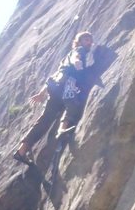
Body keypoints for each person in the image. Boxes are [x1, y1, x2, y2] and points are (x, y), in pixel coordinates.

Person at [13, 31, 94, 165]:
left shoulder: (64, 59)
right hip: (67, 82)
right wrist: (78, 63)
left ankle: (22, 150)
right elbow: (76, 57)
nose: (89, 42)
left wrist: (42, 93)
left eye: (90, 40)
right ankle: (62, 129)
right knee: (72, 102)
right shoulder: (79, 51)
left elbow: (55, 74)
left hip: (55, 87)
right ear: (79, 42)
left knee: (44, 120)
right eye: (86, 40)